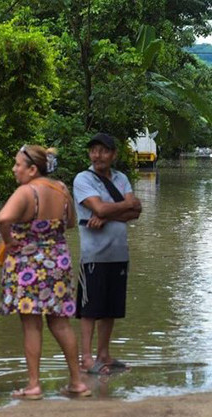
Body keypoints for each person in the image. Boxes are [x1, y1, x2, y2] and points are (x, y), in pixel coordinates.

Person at [0, 144, 89, 399]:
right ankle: (77, 383)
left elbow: (3, 218)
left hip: (28, 263)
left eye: (18, 164)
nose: (14, 169)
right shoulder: (61, 189)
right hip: (58, 262)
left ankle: (34, 385)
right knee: (61, 324)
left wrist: (9, 241)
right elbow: (70, 223)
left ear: (33, 169)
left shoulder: (26, 191)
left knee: (32, 326)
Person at [73, 133, 142, 375]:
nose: (97, 155)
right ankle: (86, 358)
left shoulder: (121, 178)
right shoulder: (83, 179)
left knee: (111, 308)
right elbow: (119, 206)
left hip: (119, 253)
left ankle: (104, 354)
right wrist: (113, 209)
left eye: (103, 151)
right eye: (93, 150)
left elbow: (137, 211)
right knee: (90, 309)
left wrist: (105, 214)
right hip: (94, 254)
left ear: (113, 154)